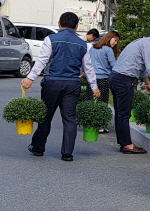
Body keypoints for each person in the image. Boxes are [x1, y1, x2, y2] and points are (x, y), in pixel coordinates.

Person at [21, 11, 100, 161]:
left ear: (59, 24)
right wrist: (94, 87)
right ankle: (67, 153)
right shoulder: (82, 44)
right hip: (72, 84)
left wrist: (29, 78)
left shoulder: (51, 39)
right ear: (76, 27)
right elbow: (88, 68)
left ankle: (38, 148)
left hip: (52, 83)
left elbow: (42, 61)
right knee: (70, 119)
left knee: (46, 116)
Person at [109, 32, 150, 154]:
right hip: (123, 79)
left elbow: (142, 66)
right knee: (124, 114)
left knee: (120, 113)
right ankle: (127, 145)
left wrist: (147, 82)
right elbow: (149, 67)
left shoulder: (142, 41)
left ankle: (123, 143)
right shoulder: (149, 45)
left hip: (116, 77)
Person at [89, 30, 120, 109]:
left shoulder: (93, 48)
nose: (115, 43)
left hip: (91, 78)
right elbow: (114, 66)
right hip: (103, 79)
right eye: (115, 40)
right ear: (109, 38)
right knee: (102, 105)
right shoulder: (108, 50)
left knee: (90, 103)